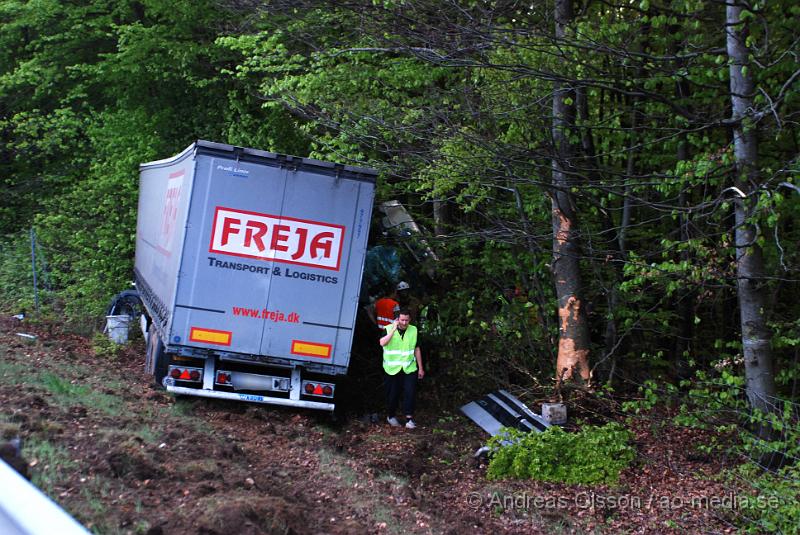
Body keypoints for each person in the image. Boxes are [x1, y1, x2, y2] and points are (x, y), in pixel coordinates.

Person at [379, 308, 424, 429]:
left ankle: (409, 419)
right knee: (393, 394)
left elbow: (417, 349)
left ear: (410, 320)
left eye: (407, 320)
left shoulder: (413, 330)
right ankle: (391, 416)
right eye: (402, 320)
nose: (404, 323)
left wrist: (421, 368)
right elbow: (382, 343)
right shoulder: (388, 329)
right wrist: (393, 330)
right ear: (397, 319)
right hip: (392, 369)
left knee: (410, 392)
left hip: (409, 368)